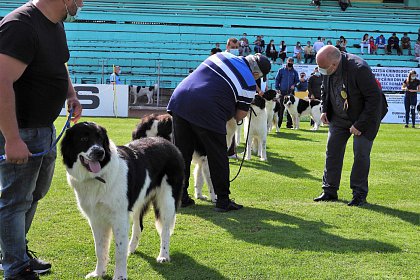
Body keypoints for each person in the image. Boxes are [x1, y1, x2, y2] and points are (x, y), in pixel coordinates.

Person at [0, 0, 83, 279]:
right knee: (15, 200)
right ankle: (15, 267)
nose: (82, 3)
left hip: (43, 129)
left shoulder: (55, 22)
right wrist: (12, 138)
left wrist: (70, 93)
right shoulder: (21, 25)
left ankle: (14, 254)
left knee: (34, 194)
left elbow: (59, 63)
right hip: (21, 131)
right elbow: (1, 81)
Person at [167, 52, 271, 212]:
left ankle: (179, 196)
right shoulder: (249, 82)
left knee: (182, 153)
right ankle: (223, 200)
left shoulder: (223, 55)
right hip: (209, 109)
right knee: (218, 155)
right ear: (256, 74)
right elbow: (239, 116)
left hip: (180, 99)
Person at [313, 45, 388, 206]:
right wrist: (324, 109)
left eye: (324, 68)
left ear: (334, 64)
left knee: (361, 154)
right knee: (332, 151)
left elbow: (374, 99)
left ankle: (359, 194)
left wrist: (360, 124)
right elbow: (324, 88)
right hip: (338, 117)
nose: (322, 71)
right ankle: (329, 190)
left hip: (364, 118)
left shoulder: (359, 68)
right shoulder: (327, 68)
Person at [274, 57, 299, 129]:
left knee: (291, 109)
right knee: (281, 109)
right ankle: (278, 124)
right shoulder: (281, 70)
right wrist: (277, 88)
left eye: (291, 62)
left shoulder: (295, 72)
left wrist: (294, 85)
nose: (290, 62)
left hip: (291, 93)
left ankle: (289, 124)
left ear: (293, 63)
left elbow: (297, 81)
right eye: (289, 61)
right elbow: (277, 80)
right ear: (287, 61)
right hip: (282, 92)